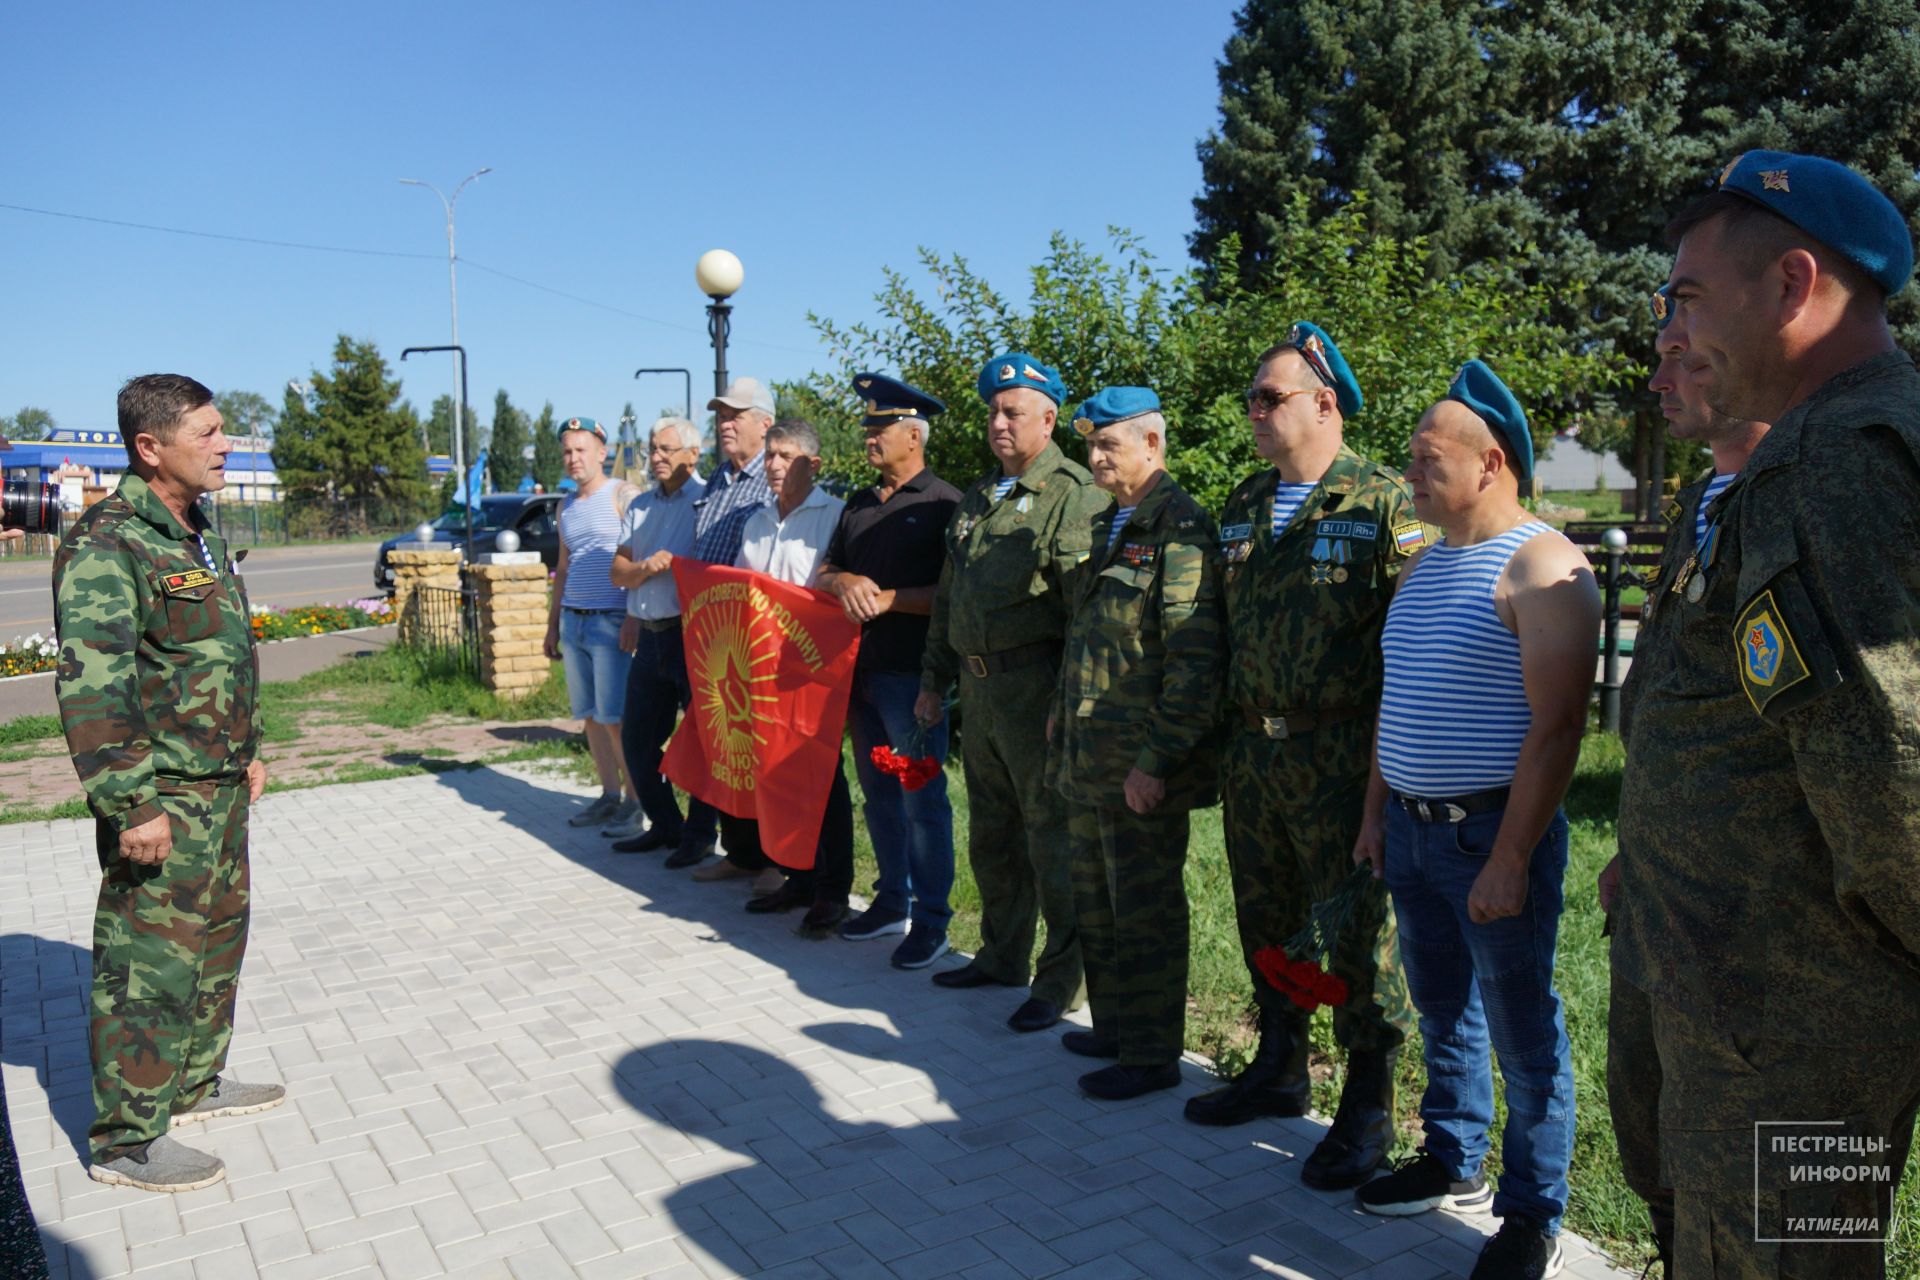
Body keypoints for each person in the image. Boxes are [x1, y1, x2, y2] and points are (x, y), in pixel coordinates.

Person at [1610, 150, 1920, 1279]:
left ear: (1791, 285)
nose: (1672, 323)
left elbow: (1894, 786)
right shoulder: (1819, 446)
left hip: (1798, 1035)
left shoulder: (1837, 459)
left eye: (1688, 293)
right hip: (1752, 1014)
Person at [1352, 360, 1597, 1280]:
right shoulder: (1425, 561)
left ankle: (1533, 1213)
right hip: (1413, 832)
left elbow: (1560, 726)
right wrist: (1378, 815)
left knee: (1524, 1026)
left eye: (1425, 458)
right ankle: (1452, 1154)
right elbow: (1398, 699)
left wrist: (1510, 857)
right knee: (1441, 1004)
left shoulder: (1543, 564)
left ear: (1491, 462)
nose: (1408, 475)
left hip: (1488, 837)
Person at [1187, 323, 1416, 1193]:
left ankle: (1367, 1102)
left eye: (1267, 398)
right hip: (1256, 752)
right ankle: (1280, 1064)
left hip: (1344, 753)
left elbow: (1413, 652)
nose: (1252, 412)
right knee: (1268, 915)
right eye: (1249, 398)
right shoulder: (1244, 503)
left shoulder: (1384, 505)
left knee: (1359, 933)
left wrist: (1385, 780)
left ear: (1325, 404)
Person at [53, 374, 284, 1193]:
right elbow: (94, 685)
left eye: (225, 431)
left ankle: (192, 1083)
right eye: (210, 433)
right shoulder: (109, 541)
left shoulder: (196, 529)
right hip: (163, 798)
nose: (227, 445)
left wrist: (247, 748)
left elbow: (212, 655)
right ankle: (125, 1140)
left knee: (216, 943)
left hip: (218, 786)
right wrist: (130, 803)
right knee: (147, 963)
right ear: (151, 447)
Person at [917, 353, 1110, 1033]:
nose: (998, 423)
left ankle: (1060, 980)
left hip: (1037, 691)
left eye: (1013, 412)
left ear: (1049, 418)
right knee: (993, 833)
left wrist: (1066, 702)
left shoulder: (1074, 493)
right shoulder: (977, 497)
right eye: (993, 411)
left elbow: (1085, 614)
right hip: (980, 690)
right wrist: (932, 680)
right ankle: (1002, 955)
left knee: (1051, 839)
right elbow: (950, 597)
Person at [1049, 387, 1222, 1100]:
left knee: (1145, 907)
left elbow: (1194, 663)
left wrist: (1157, 762)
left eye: (1108, 445)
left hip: (1139, 767)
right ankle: (1115, 1025)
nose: (1094, 458)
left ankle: (1151, 1055)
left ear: (1152, 445)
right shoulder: (1110, 523)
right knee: (1097, 898)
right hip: (1091, 759)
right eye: (1090, 445)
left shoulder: (1180, 528)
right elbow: (1092, 634)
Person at [816, 373, 962, 969]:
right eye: (868, 427)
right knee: (877, 795)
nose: (869, 437)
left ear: (913, 435)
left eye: (880, 429)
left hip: (912, 679)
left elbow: (954, 595)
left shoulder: (945, 505)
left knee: (922, 801)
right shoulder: (857, 502)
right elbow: (825, 572)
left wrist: (891, 599)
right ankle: (890, 902)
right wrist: (844, 581)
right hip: (860, 678)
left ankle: (932, 921)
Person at [727, 419, 853, 935]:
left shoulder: (836, 516)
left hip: (814, 672)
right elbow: (739, 586)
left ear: (813, 464)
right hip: (762, 673)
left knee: (823, 777)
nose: (773, 465)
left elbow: (834, 591)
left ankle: (833, 889)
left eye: (785, 456)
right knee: (776, 775)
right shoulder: (755, 521)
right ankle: (796, 877)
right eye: (770, 456)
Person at [666, 377, 775, 872]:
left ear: (765, 424)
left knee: (745, 748)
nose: (725, 424)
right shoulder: (717, 479)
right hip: (707, 637)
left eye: (736, 415)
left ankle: (762, 856)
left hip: (748, 639)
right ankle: (734, 849)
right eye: (721, 416)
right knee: (716, 741)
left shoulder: (772, 481)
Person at [609, 417, 710, 854]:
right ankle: (667, 825)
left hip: (691, 637)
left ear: (693, 454)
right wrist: (645, 569)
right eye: (653, 449)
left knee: (703, 744)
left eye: (668, 449)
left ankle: (701, 837)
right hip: (649, 639)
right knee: (637, 741)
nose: (657, 457)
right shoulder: (640, 506)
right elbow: (618, 572)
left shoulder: (708, 502)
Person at [542, 417, 642, 833]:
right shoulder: (566, 507)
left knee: (615, 717)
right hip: (574, 623)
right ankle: (608, 795)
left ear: (602, 453)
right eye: (567, 451)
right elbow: (563, 570)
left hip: (611, 622)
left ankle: (637, 803)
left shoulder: (624, 495)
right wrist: (552, 627)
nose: (573, 459)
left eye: (581, 450)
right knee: (590, 717)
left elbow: (639, 561)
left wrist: (633, 618)